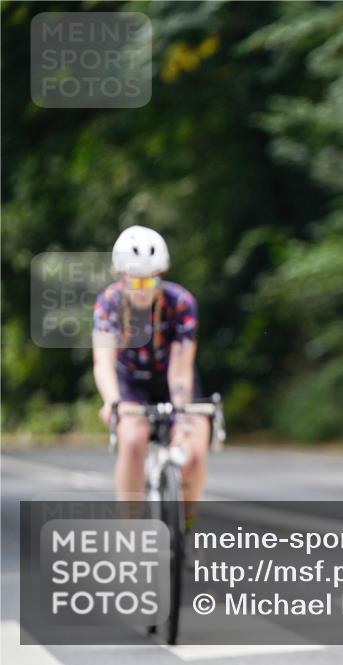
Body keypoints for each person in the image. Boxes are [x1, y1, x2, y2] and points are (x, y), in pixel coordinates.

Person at [92, 225, 210, 534]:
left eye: (150, 280)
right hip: (131, 383)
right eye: (135, 281)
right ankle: (130, 527)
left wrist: (182, 414)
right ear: (121, 277)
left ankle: (187, 526)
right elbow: (103, 362)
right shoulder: (109, 303)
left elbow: (181, 366)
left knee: (195, 448)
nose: (143, 288)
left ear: (161, 275)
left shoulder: (181, 302)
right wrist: (112, 402)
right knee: (132, 440)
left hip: (173, 378)